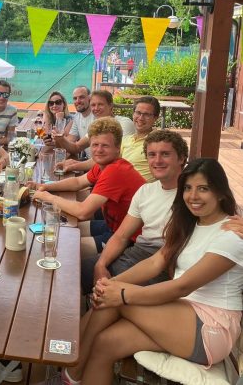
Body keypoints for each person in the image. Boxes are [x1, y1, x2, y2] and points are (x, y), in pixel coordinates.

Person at [63, 158, 243, 385]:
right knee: (105, 343)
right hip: (181, 313)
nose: (193, 196)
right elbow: (155, 262)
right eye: (188, 188)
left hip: (210, 328)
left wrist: (121, 293)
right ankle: (73, 368)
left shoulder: (231, 235)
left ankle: (73, 368)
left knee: (115, 300)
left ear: (221, 193)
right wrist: (112, 283)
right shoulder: (189, 225)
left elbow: (183, 286)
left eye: (203, 189)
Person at [81, 129, 189, 292]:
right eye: (152, 155)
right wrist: (100, 265)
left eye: (165, 154)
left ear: (181, 158)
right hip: (137, 252)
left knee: (89, 282)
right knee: (78, 270)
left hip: (164, 263)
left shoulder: (190, 196)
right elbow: (121, 236)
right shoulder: (146, 191)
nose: (157, 160)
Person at [32, 117, 146, 258]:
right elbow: (77, 182)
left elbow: (83, 212)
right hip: (113, 225)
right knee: (63, 232)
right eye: (95, 145)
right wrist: (44, 186)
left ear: (117, 148)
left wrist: (47, 197)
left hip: (132, 239)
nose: (99, 150)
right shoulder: (104, 164)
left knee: (64, 248)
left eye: (105, 146)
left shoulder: (115, 170)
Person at [61, 96, 160, 181]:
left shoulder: (156, 143)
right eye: (138, 113)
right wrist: (74, 165)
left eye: (146, 114)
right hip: (114, 185)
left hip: (134, 193)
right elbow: (105, 158)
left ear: (155, 118)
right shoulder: (127, 139)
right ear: (133, 114)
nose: (141, 118)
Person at [54, 90, 134, 159]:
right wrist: (60, 138)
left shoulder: (124, 122)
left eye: (100, 104)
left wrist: (76, 165)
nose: (96, 108)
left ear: (110, 105)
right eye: (93, 105)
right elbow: (77, 147)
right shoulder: (97, 126)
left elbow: (113, 157)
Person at [68, 85, 94, 158]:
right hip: (88, 160)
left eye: (81, 97)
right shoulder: (77, 116)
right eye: (75, 98)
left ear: (89, 98)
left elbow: (77, 147)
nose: (78, 101)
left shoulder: (96, 115)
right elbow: (70, 140)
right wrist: (55, 140)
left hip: (99, 162)